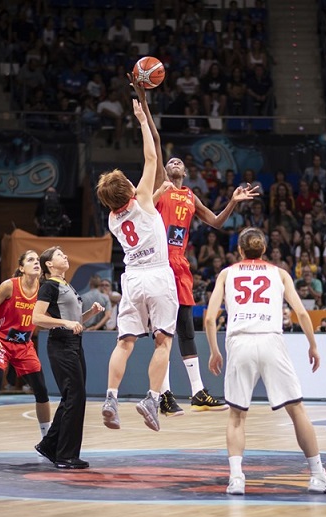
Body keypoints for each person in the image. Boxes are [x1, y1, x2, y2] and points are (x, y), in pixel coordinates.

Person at [135, 79, 260, 416]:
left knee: (186, 328)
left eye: (178, 162)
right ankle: (162, 394)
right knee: (164, 331)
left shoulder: (189, 195)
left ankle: (198, 392)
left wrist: (232, 201)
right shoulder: (161, 184)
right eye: (170, 161)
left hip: (180, 265)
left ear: (185, 172)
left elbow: (217, 222)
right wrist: (144, 103)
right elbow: (157, 142)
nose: (172, 162)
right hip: (158, 263)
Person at [204, 227, 326, 495]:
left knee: (236, 416)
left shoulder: (226, 274)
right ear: (264, 249)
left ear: (240, 251)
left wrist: (214, 350)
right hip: (271, 340)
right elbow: (301, 313)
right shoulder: (279, 273)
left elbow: (210, 318)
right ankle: (317, 475)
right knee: (297, 411)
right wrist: (313, 345)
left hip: (240, 341)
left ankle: (236, 479)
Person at [96, 96, 178, 433]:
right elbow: (151, 156)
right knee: (163, 341)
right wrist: (143, 120)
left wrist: (157, 193)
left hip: (131, 278)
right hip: (158, 274)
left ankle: (111, 397)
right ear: (130, 189)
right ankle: (151, 398)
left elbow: (142, 216)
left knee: (124, 342)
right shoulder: (141, 196)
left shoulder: (114, 220)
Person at [0, 250, 52, 460]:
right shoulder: (9, 286)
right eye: (30, 260)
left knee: (41, 391)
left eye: (37, 260)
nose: (36, 263)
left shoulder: (44, 290)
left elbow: (52, 317)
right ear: (21, 267)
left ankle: (48, 442)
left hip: (24, 345)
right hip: (1, 342)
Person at [32, 247, 104, 469]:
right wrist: (66, 323)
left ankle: (50, 445)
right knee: (75, 397)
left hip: (74, 343)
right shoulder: (49, 286)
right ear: (49, 265)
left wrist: (90, 314)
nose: (65, 256)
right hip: (61, 345)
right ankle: (65, 456)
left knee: (72, 397)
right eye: (59, 255)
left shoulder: (66, 285)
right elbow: (37, 318)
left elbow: (72, 319)